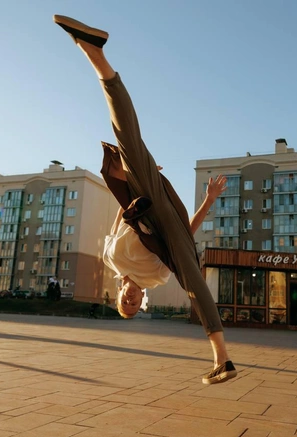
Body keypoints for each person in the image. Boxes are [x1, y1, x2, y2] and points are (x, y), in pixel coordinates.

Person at [53, 14, 237, 384]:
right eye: (135, 306)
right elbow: (183, 236)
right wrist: (209, 201)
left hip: (145, 197)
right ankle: (223, 358)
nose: (132, 301)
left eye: (126, 303)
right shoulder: (154, 278)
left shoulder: (110, 258)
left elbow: (122, 214)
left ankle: (96, 56)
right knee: (193, 282)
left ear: (119, 293)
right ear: (143, 301)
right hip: (171, 228)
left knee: (127, 138)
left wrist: (131, 179)